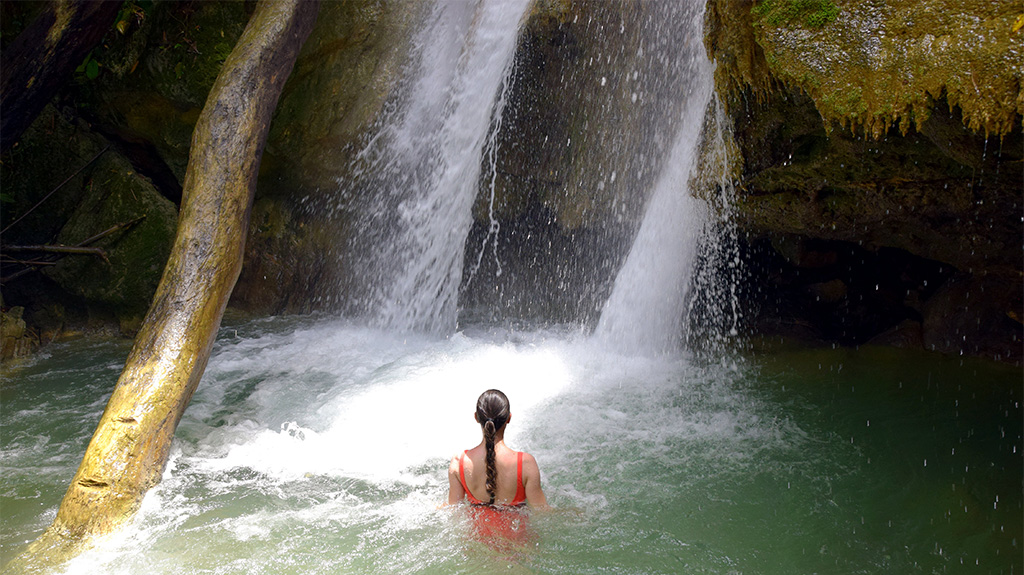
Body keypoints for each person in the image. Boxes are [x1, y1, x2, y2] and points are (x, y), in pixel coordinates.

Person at [448, 389, 548, 515]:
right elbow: (542, 511)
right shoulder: (525, 463)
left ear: (476, 417)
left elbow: (452, 509)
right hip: (516, 534)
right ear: (508, 418)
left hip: (476, 535)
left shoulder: (459, 461)